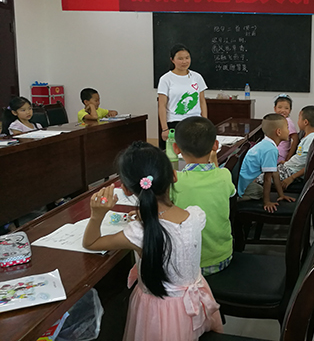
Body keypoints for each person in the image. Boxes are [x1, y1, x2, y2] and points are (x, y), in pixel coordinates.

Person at [82, 142, 223, 341]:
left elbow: (91, 243)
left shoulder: (139, 232)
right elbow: (169, 223)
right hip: (193, 304)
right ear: (174, 176)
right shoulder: (195, 216)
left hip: (159, 312)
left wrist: (97, 215)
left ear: (126, 190)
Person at [170, 117, 236, 276]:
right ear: (216, 145)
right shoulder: (224, 175)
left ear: (176, 148)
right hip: (223, 258)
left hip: (187, 265)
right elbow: (231, 192)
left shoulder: (175, 181)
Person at [238, 113, 296, 212]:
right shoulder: (270, 150)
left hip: (239, 179)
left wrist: (281, 195)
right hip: (240, 184)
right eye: (287, 128)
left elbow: (275, 173)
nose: (288, 131)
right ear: (278, 132)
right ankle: (236, 198)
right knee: (259, 191)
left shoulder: (266, 144)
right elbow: (267, 179)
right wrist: (267, 202)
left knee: (258, 187)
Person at [256, 105, 314, 190]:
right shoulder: (309, 137)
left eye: (299, 118)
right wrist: (287, 162)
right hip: (288, 168)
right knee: (260, 172)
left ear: (305, 122)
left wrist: (292, 178)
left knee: (258, 179)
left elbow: (309, 165)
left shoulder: (311, 139)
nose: (298, 121)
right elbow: (300, 158)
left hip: (290, 172)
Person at [157, 44, 208, 149]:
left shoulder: (197, 77)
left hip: (195, 122)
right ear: (172, 60)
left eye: (187, 58)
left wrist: (205, 122)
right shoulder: (166, 79)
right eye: (180, 59)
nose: (184, 61)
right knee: (175, 154)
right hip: (175, 123)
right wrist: (165, 128)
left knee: (195, 152)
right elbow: (162, 105)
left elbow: (202, 101)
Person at [274, 94, 299, 163]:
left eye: (286, 108)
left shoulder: (288, 122)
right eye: (279, 107)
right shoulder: (275, 120)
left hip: (280, 154)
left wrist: (289, 157)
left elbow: (295, 139)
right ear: (275, 108)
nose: (283, 110)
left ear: (290, 110)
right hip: (273, 151)